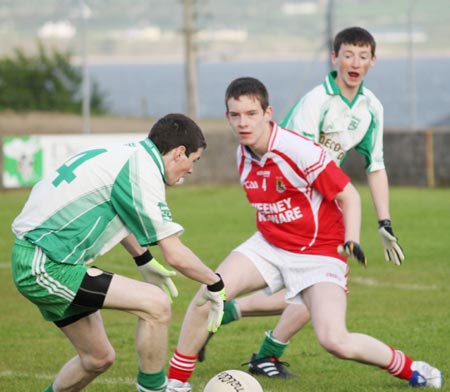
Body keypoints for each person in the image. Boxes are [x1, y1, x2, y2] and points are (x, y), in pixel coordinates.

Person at [165, 77, 442, 392]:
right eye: (236, 115)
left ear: (268, 113)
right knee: (208, 294)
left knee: (335, 340)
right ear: (227, 117)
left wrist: (351, 239)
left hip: (319, 252)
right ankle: (175, 384)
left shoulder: (298, 150)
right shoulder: (242, 153)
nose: (243, 122)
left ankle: (412, 369)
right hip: (269, 244)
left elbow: (348, 195)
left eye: (251, 113)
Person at [199, 26, 407, 376]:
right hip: (303, 202)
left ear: (373, 61)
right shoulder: (316, 102)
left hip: (330, 199)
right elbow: (296, 161)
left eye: (362, 55)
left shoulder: (372, 108)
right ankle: (259, 346)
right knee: (320, 288)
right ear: (334, 58)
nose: (354, 62)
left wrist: (384, 222)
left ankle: (252, 337)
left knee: (320, 292)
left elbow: (376, 165)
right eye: (348, 54)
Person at [11, 113, 226, 392]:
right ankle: (154, 389)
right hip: (44, 265)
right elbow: (174, 253)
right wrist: (215, 283)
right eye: (193, 161)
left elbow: (117, 212)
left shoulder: (127, 155)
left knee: (97, 358)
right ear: (179, 152)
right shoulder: (142, 170)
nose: (191, 171)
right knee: (156, 305)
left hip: (47, 259)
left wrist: (143, 258)